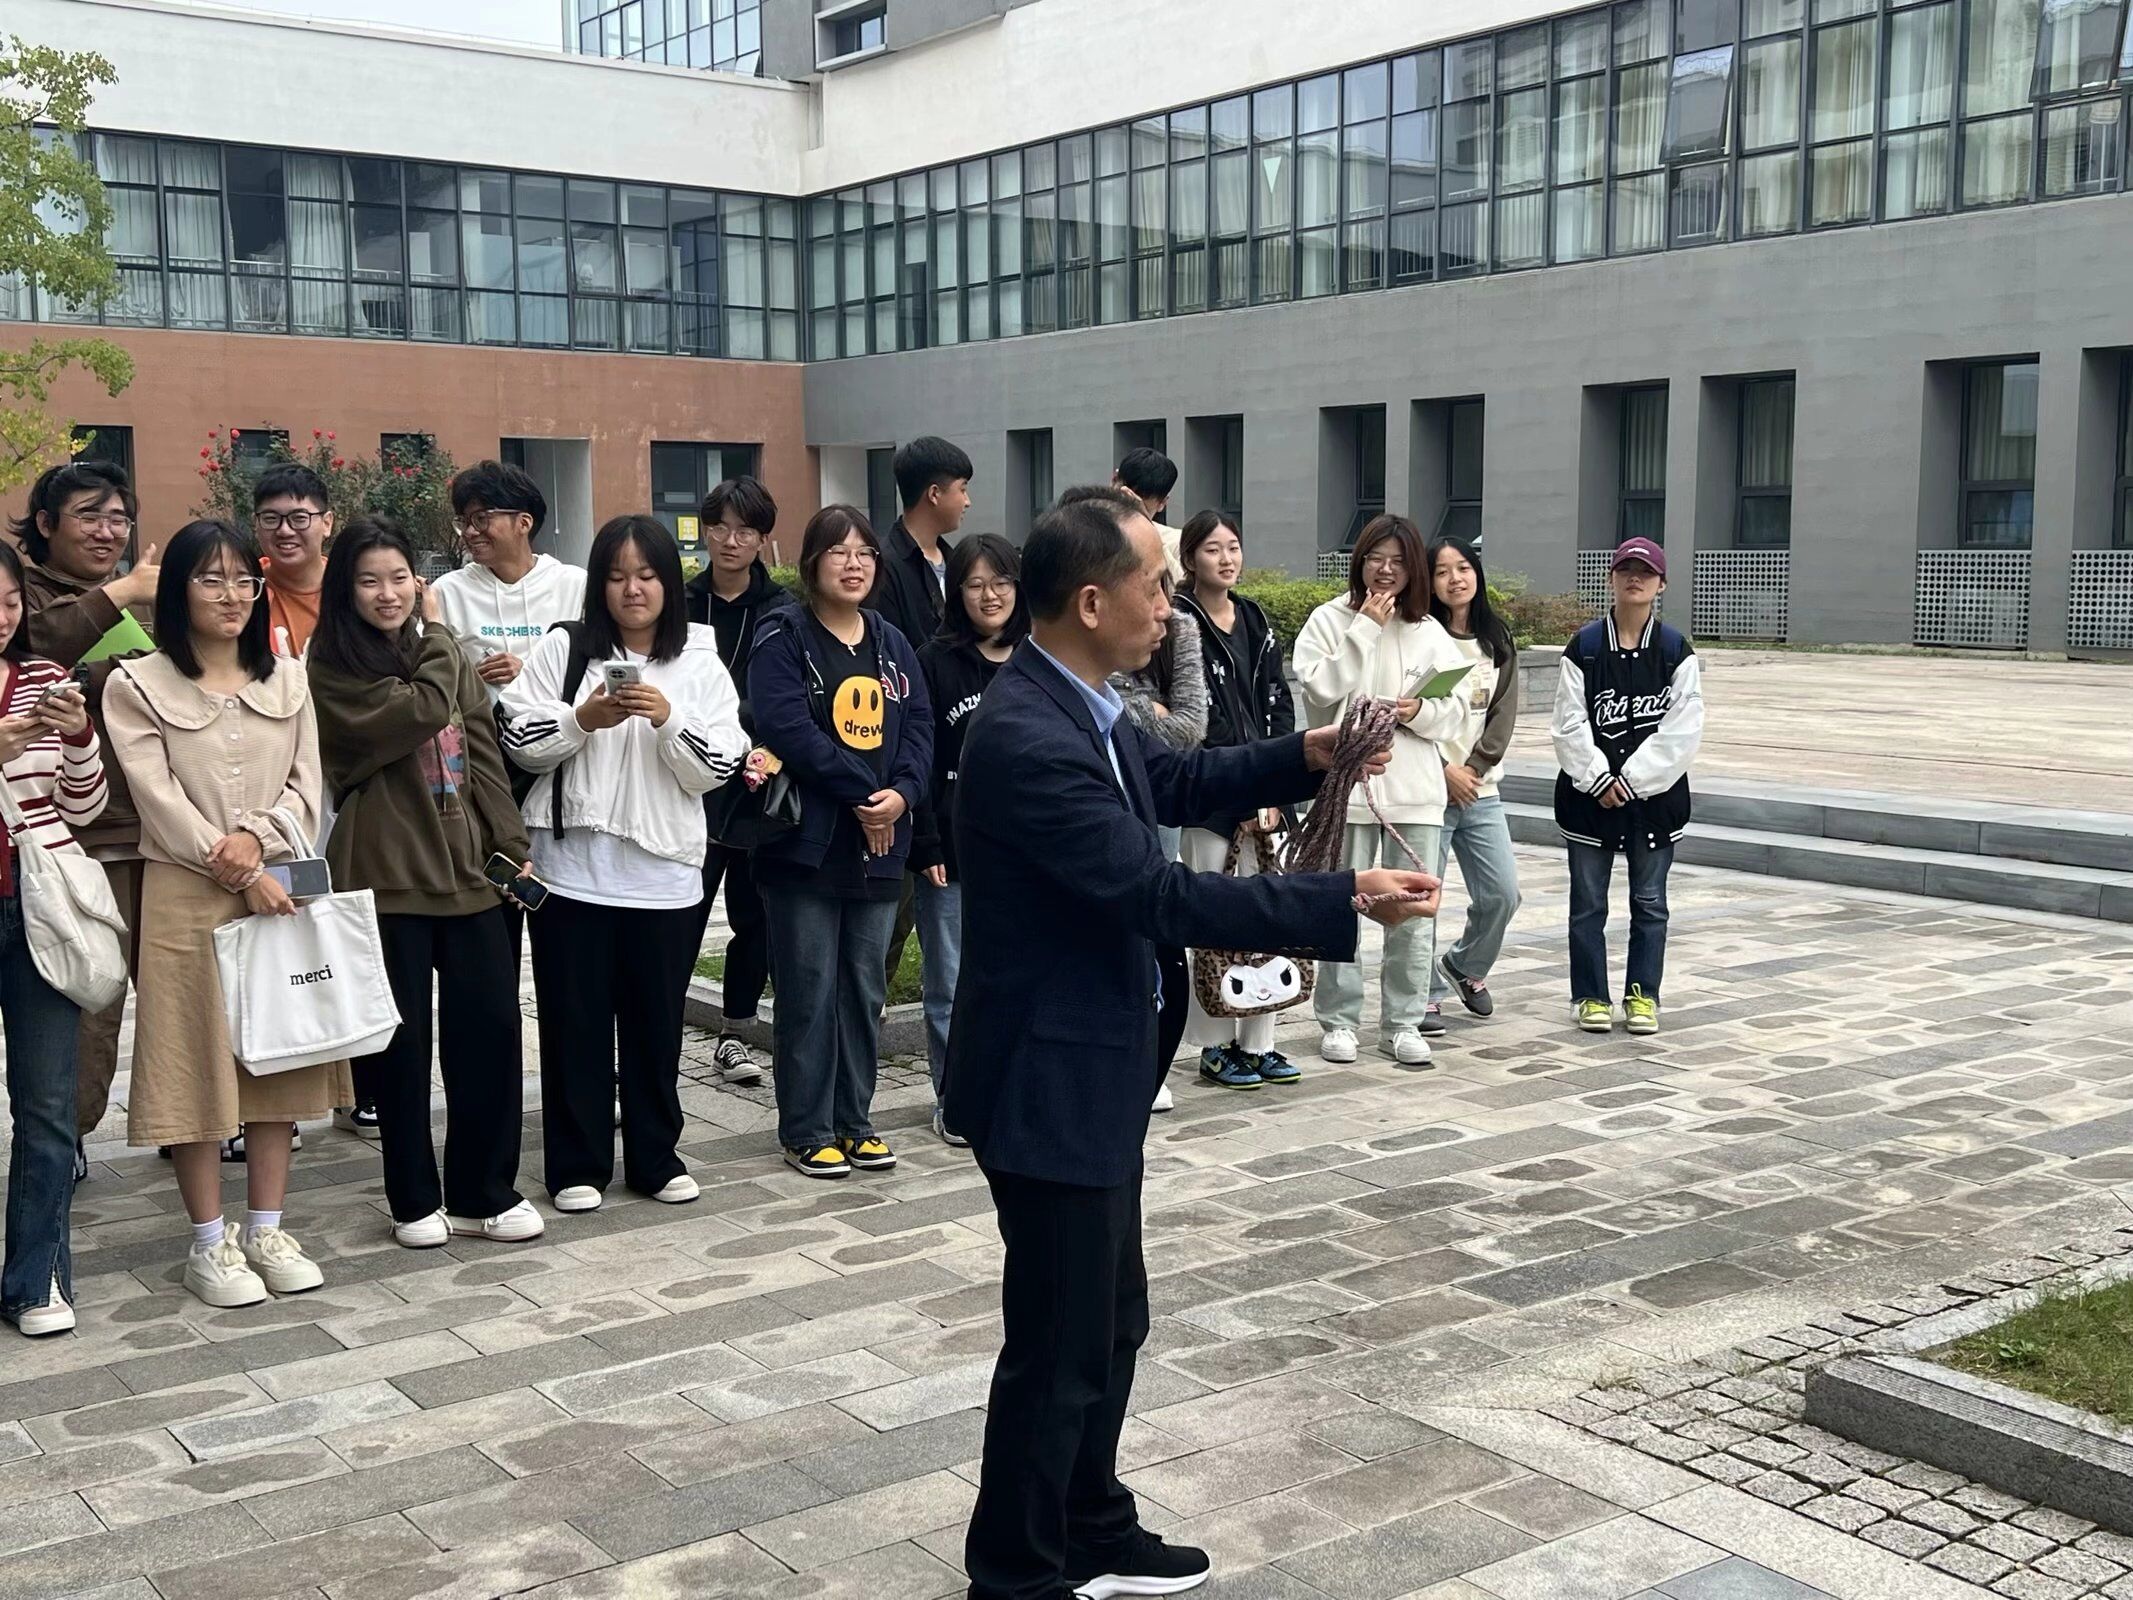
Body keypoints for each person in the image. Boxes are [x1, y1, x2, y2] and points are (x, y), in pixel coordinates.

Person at [945, 487, 1438, 1600]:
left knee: (1108, 1323)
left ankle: (1090, 1526)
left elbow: (1175, 779)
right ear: (1090, 601)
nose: (1168, 606)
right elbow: (1156, 896)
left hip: (1094, 1071)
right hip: (1046, 1080)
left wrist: (1306, 751)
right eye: (1154, 585)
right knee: (1059, 1345)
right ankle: (1014, 1576)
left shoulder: (1082, 700)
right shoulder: (1028, 735)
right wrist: (1338, 896)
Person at [104, 519, 340, 1309]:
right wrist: (237, 864)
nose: (232, 595)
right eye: (211, 579)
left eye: (244, 579)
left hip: (278, 890)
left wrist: (258, 845)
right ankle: (209, 1244)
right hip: (183, 893)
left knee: (278, 1057)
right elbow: (157, 798)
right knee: (192, 1064)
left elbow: (307, 788)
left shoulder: (290, 681)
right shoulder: (136, 686)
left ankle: (267, 1228)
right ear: (178, 592)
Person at [500, 515, 748, 1213]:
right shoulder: (565, 648)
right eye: (615, 576)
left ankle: (655, 1157)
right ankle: (575, 1164)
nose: (631, 589)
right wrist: (583, 720)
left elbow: (717, 767)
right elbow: (517, 738)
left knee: (655, 1028)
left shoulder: (699, 661)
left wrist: (667, 718)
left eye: (646, 575)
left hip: (664, 879)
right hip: (569, 875)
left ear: (669, 583)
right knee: (572, 1024)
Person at [307, 515, 542, 1249]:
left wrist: (510, 843)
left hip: (466, 869)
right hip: (385, 873)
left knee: (490, 1032)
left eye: (399, 577)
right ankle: (413, 1201)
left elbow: (482, 752)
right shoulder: (333, 664)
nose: (388, 593)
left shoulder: (436, 655)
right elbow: (420, 712)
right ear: (346, 590)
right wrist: (441, 635)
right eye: (368, 581)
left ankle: (483, 1192)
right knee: (400, 1050)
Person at [750, 506, 932, 1180]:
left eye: (864, 553)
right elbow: (786, 728)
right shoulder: (783, 636)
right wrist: (864, 792)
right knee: (808, 989)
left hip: (881, 845)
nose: (853, 564)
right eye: (838, 552)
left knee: (863, 989)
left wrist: (901, 795)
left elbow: (920, 727)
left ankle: (855, 1121)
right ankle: (806, 1129)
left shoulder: (891, 642)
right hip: (807, 845)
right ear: (811, 563)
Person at [13, 460, 157, 1179]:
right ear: (45, 524)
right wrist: (120, 593)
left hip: (158, 824)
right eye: (90, 516)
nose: (108, 532)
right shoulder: (24, 595)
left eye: (119, 518)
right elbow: (38, 644)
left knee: (176, 985)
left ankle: (186, 1117)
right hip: (76, 836)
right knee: (90, 994)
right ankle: (64, 1134)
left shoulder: (142, 602)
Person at [1293, 514, 1469, 1068]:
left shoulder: (1430, 630)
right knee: (1341, 905)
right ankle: (1339, 1021)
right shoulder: (1330, 620)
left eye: (1397, 561)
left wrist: (1418, 711)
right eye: (1375, 558)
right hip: (1345, 790)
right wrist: (1364, 627)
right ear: (1360, 561)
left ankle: (1404, 1022)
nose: (1386, 570)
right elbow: (1319, 689)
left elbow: (1458, 712)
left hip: (1415, 790)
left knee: (1413, 913)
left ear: (1413, 568)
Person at [0, 539, 108, 1336]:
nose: (2, 617)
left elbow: (83, 808)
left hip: (38, 910)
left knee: (45, 1106)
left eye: (9, 602)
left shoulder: (43, 678)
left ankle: (36, 1281)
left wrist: (78, 739)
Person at [1172, 510, 1303, 1091]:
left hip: (1266, 796)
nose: (1226, 558)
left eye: (1233, 547)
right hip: (1212, 796)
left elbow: (1278, 700)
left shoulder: (1254, 617)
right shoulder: (1180, 622)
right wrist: (1245, 786)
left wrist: (1276, 779)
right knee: (1216, 919)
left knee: (1268, 914)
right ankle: (1215, 1045)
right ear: (1190, 558)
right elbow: (1202, 718)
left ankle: (1260, 1043)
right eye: (1212, 549)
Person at [1551, 536, 1704, 1037]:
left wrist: (1634, 781)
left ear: (1662, 584)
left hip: (1655, 803)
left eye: (1646, 572)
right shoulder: (1586, 647)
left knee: (1650, 903)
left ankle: (1643, 995)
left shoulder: (1675, 650)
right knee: (1588, 905)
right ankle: (1590, 996)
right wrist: (1597, 778)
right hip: (1588, 799)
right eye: (1625, 570)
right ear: (1611, 578)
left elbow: (1683, 731)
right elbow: (1568, 721)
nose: (1635, 578)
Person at [912, 532, 1026, 1147]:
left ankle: (1012, 1090)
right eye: (975, 584)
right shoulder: (934, 661)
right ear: (956, 592)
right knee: (950, 982)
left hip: (1029, 853)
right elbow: (920, 758)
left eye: (1001, 582)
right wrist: (927, 841)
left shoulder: (1039, 656)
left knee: (1022, 973)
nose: (990, 596)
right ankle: (955, 1097)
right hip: (953, 853)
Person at [682, 474, 792, 1088]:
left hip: (757, 780)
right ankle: (655, 1029)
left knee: (754, 917)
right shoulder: (680, 602)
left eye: (744, 531)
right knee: (682, 913)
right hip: (687, 778)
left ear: (762, 538)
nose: (730, 541)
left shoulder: (782, 611)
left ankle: (735, 1033)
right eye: (719, 528)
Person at [865, 436, 970, 994]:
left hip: (953, 752)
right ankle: (863, 1017)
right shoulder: (885, 566)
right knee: (888, 918)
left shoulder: (957, 564)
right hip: (900, 760)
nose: (966, 501)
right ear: (933, 493)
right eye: (962, 489)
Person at [1424, 532, 1523, 1029]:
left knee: (1503, 893)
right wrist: (1444, 770)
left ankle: (1465, 966)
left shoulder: (1494, 638)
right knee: (1423, 897)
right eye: (1442, 571)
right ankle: (1423, 993)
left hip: (1480, 790)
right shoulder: (1422, 635)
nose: (1455, 579)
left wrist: (1474, 769)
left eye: (1463, 568)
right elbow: (1411, 714)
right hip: (1428, 790)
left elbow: (1502, 713)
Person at [430, 459, 587, 699]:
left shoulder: (575, 586)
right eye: (464, 522)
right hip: (481, 723)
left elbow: (596, 669)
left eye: (481, 519)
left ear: (524, 523)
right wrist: (470, 679)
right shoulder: (448, 591)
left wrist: (529, 673)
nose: (470, 532)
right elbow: (431, 673)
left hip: (559, 722)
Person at [251, 464, 332, 657]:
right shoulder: (244, 592)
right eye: (271, 518)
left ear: (327, 523)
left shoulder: (353, 589)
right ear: (256, 524)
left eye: (299, 518)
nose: (285, 530)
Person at [1111, 446, 1182, 583]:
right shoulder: (1084, 528)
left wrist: (1147, 530)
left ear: (1162, 503)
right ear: (1113, 480)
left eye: (1140, 507)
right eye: (1124, 501)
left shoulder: (1175, 542)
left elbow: (1180, 590)